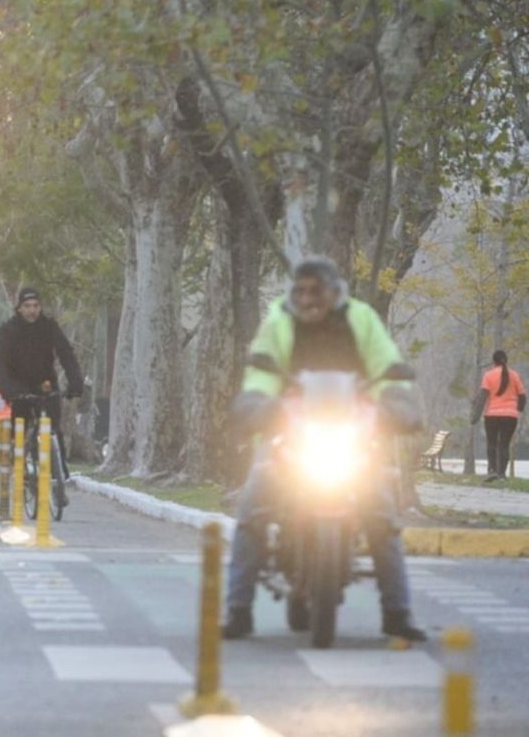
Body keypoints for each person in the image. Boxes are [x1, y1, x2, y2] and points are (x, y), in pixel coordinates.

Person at [222, 256, 427, 642]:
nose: (307, 298)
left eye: (316, 290)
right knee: (252, 509)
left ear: (335, 292)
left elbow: (386, 366)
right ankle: (238, 610)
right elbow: (261, 377)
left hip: (352, 435)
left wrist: (397, 403)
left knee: (382, 513)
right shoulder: (279, 322)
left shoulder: (361, 319)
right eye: (299, 291)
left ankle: (397, 612)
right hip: (289, 433)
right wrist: (256, 405)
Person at [0, 287, 84, 436]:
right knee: (19, 432)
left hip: (45, 381)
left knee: (53, 429)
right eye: (27, 306)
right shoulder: (9, 329)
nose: (32, 310)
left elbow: (66, 353)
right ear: (20, 308)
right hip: (19, 383)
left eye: (36, 306)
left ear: (40, 307)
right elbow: (0, 362)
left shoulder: (49, 325)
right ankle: (19, 456)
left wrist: (75, 382)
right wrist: (6, 390)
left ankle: (57, 455)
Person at [472, 350, 526, 482]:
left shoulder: (489, 375)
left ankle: (492, 470)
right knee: (504, 444)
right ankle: (502, 473)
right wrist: (518, 410)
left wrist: (475, 416)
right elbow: (523, 396)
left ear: (494, 361)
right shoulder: (514, 375)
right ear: (506, 360)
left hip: (492, 415)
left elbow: (483, 397)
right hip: (510, 416)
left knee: (492, 443)